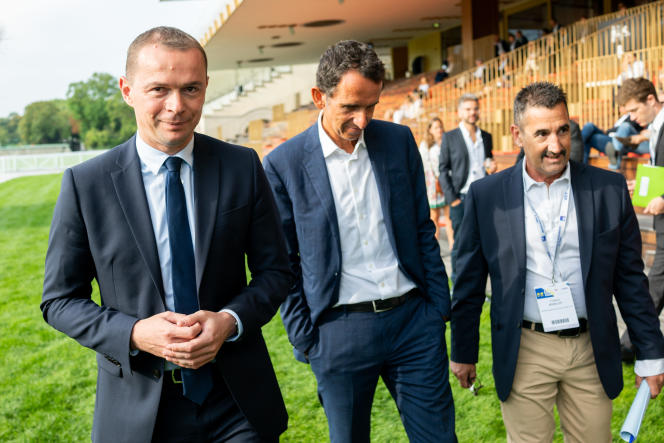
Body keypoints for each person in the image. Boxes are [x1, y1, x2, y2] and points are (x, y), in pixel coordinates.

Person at [40, 26, 292, 443]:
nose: (176, 106)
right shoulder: (87, 184)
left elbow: (276, 272)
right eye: (159, 89)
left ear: (206, 86)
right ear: (127, 90)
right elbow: (60, 300)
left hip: (237, 403)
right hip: (140, 411)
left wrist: (229, 322)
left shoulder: (242, 166)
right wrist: (136, 333)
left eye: (191, 89)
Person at [263, 40, 456, 443]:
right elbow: (283, 261)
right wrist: (308, 338)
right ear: (320, 97)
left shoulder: (398, 141)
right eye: (350, 107)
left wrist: (436, 309)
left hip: (414, 324)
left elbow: (422, 227)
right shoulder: (284, 165)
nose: (363, 120)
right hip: (339, 332)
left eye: (371, 106)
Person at [450, 82, 664, 442]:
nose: (556, 145)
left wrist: (650, 352)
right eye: (543, 133)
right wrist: (463, 352)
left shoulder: (607, 189)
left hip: (591, 346)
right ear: (517, 135)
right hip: (525, 348)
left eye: (563, 130)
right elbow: (469, 280)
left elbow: (630, 279)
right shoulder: (487, 196)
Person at [617, 77, 664, 358]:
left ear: (650, 99)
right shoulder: (655, 129)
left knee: (655, 285)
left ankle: (628, 344)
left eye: (634, 111)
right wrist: (645, 189)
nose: (632, 119)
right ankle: (631, 342)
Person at [438, 93, 495, 282]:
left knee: (485, 242)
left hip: (484, 196)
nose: (472, 113)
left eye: (475, 109)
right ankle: (457, 284)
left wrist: (492, 167)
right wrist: (452, 199)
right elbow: (443, 169)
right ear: (460, 112)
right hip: (461, 198)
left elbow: (488, 161)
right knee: (461, 245)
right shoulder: (450, 137)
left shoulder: (486, 136)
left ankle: (479, 283)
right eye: (468, 109)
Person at [419, 117, 451, 244]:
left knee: (449, 218)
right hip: (433, 184)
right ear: (430, 130)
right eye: (436, 127)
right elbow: (425, 165)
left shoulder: (446, 142)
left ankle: (453, 246)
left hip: (446, 181)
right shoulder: (425, 145)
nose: (440, 130)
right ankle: (435, 248)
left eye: (441, 126)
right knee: (434, 217)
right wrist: (436, 180)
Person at [581, 111, 648, 168]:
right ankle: (581, 163)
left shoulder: (636, 115)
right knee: (589, 127)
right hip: (611, 138)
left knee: (625, 125)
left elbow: (632, 127)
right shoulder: (623, 117)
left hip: (626, 140)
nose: (620, 107)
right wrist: (608, 132)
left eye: (623, 105)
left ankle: (616, 156)